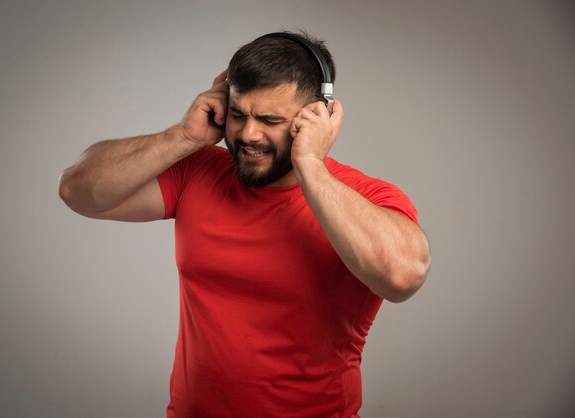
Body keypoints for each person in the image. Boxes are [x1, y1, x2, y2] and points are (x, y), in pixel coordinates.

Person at [58, 30, 431, 418]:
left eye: (270, 120)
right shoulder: (197, 173)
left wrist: (311, 166)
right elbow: (77, 190)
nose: (248, 135)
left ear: (317, 116)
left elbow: (402, 278)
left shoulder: (364, 198)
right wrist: (183, 137)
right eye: (239, 114)